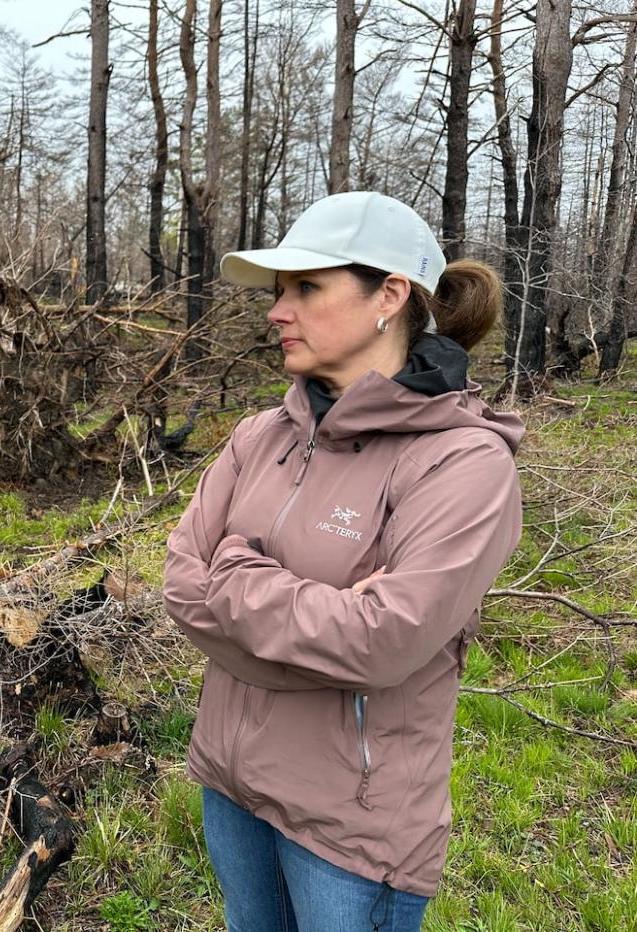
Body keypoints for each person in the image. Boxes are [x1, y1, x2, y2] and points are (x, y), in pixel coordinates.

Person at [162, 191, 524, 931]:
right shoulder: (261, 435)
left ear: (390, 295)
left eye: (306, 287)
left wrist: (236, 573)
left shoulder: (463, 462)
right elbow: (180, 587)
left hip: (353, 829)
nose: (277, 311)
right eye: (278, 291)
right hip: (231, 785)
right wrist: (320, 615)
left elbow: (382, 641)